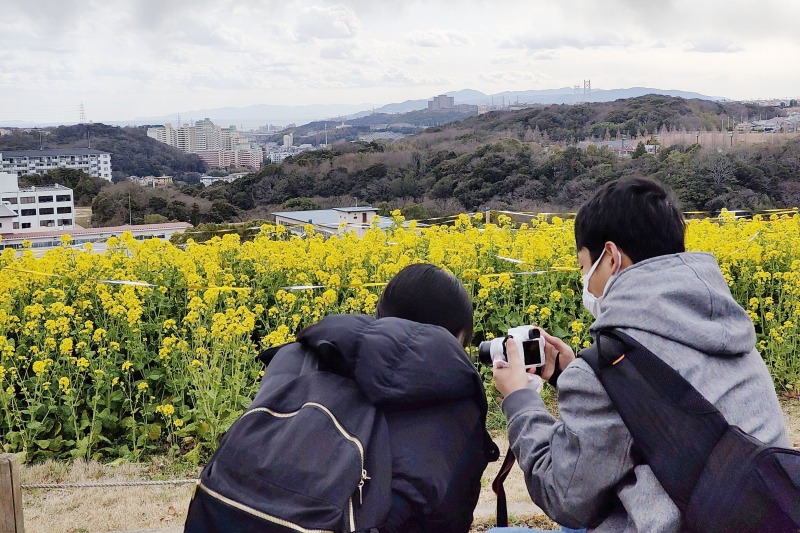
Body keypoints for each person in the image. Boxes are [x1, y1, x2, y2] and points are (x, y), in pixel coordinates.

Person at [490, 177, 789, 532]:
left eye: (584, 267)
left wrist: (521, 400)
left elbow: (564, 497)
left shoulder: (611, 361)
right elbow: (658, 413)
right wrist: (572, 375)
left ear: (612, 258)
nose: (584, 279)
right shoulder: (725, 326)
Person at [257, 263, 498, 532]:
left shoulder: (296, 356)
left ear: (380, 314)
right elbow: (451, 517)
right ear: (455, 338)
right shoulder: (454, 406)